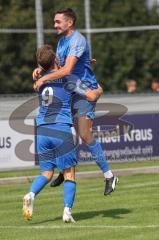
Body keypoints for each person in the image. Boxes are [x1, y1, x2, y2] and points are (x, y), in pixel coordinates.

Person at [33, 8, 118, 196]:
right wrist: (40, 69)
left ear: (69, 22)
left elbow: (66, 70)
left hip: (84, 90)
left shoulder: (77, 39)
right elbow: (59, 65)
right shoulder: (62, 41)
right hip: (70, 88)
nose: (54, 24)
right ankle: (65, 169)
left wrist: (44, 79)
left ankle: (109, 175)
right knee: (63, 130)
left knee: (85, 135)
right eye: (54, 21)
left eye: (57, 21)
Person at [23, 45, 102, 223]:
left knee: (47, 173)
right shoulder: (69, 79)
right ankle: (67, 211)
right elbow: (90, 96)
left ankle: (31, 194)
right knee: (69, 173)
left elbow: (44, 71)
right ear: (57, 60)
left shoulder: (39, 79)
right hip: (60, 128)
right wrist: (97, 90)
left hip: (42, 129)